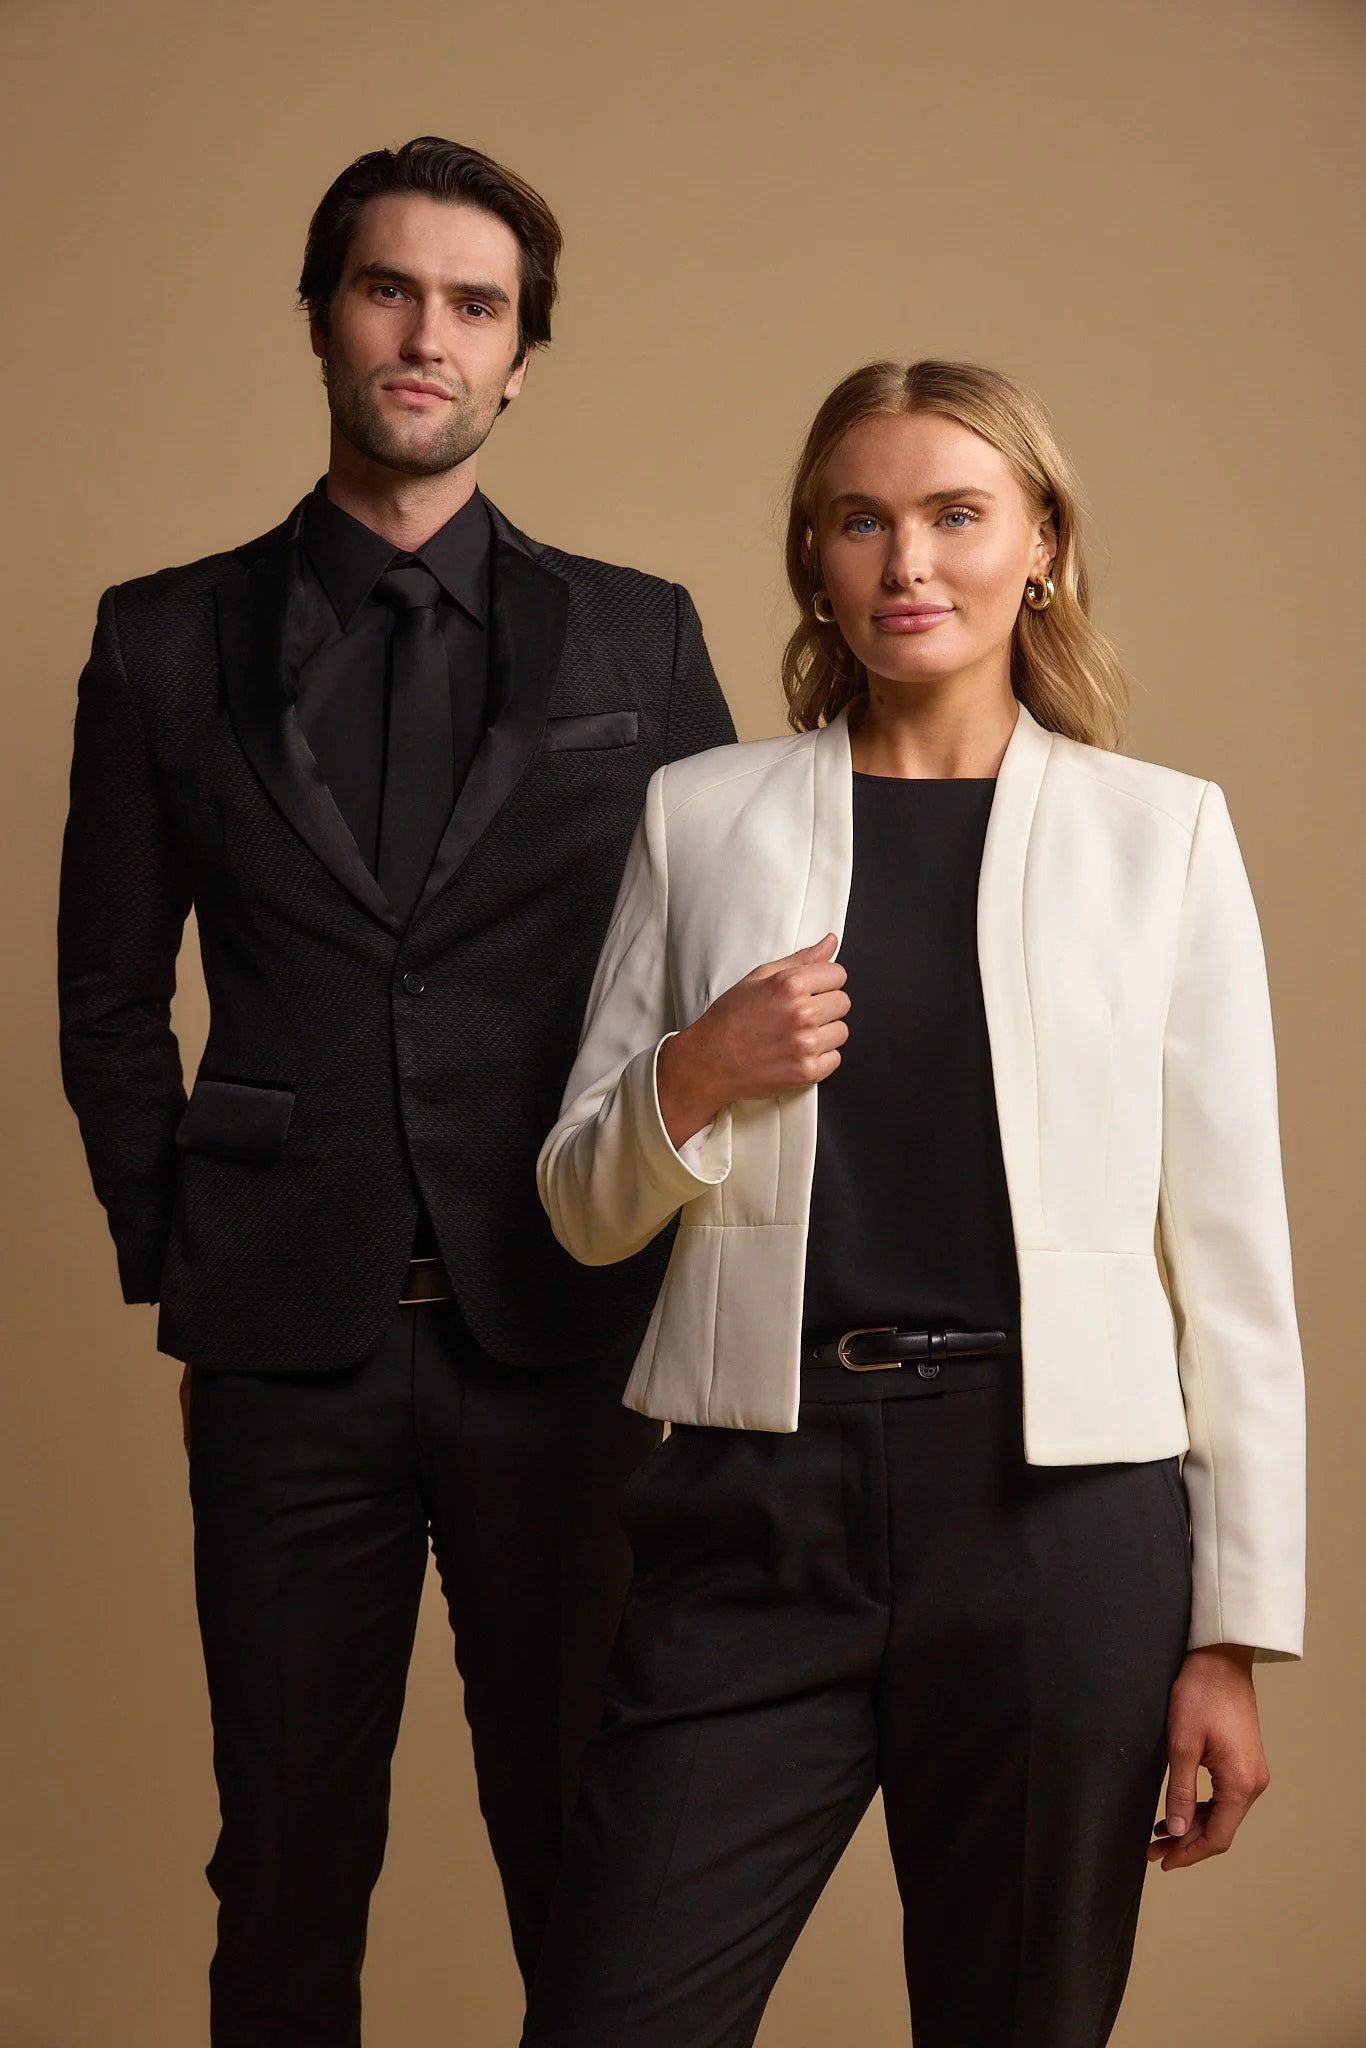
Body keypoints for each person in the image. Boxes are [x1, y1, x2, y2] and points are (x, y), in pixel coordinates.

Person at [524, 359, 1306, 2048]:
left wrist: (1232, 1636)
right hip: (751, 1496)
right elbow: (582, 1207)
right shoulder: (702, 813)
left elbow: (1232, 1267)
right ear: (814, 558)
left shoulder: (1156, 837)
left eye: (957, 514)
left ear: (1041, 547)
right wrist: (694, 1070)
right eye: (859, 520)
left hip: (1058, 1523)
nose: (907, 562)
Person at [57, 135, 733, 2045]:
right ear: (322, 316)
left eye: (474, 304)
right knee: (280, 1857)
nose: (425, 334)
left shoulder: (639, 634)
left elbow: (711, 980)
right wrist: (188, 1265)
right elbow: (106, 999)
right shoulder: (161, 637)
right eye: (387, 289)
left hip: (573, 1340)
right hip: (284, 1354)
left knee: (589, 1856)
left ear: (521, 357)